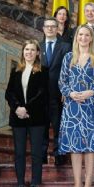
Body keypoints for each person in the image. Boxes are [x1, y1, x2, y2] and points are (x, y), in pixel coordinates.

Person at [58, 25, 94, 187]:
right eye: (81, 35)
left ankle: (88, 184)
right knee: (75, 147)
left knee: (90, 146)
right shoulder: (68, 58)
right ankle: (77, 183)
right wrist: (70, 93)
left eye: (87, 35)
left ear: (91, 38)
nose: (84, 38)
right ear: (76, 37)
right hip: (72, 108)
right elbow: (62, 82)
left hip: (91, 106)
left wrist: (91, 92)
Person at [5, 40, 49, 187]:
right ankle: (20, 185)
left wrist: (27, 109)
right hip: (18, 117)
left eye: (32, 50)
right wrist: (18, 108)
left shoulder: (43, 71)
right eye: (26, 49)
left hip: (36, 117)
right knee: (19, 153)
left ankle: (35, 185)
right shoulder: (15, 71)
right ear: (23, 52)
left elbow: (42, 94)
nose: (29, 52)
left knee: (36, 153)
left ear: (38, 53)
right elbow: (9, 93)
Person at [40, 17, 71, 166]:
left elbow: (70, 71)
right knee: (41, 126)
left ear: (57, 28)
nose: (50, 29)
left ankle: (59, 154)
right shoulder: (37, 47)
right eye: (48, 26)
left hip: (59, 94)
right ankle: (41, 154)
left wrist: (67, 91)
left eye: (53, 26)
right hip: (40, 95)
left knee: (59, 125)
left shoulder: (65, 47)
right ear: (43, 29)